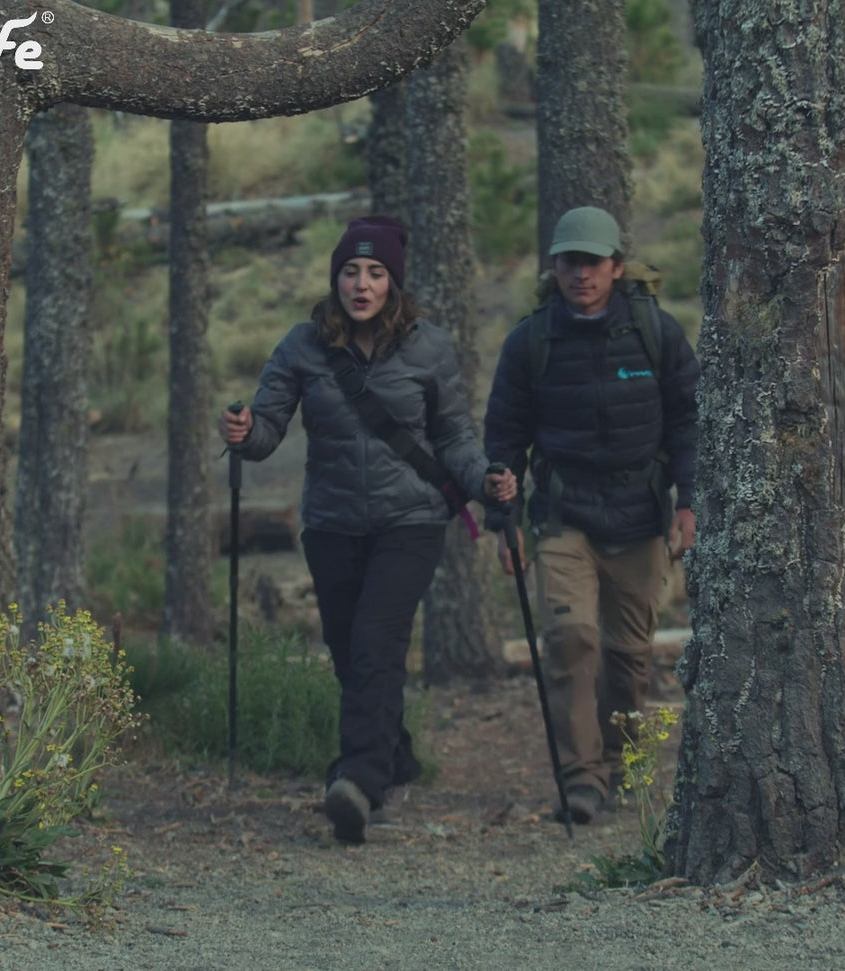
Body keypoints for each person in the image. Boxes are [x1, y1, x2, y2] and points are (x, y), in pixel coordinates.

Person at [219, 216, 516, 844]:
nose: (361, 284)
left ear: (393, 283)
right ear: (335, 280)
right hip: (331, 523)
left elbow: (455, 437)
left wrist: (486, 477)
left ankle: (357, 780)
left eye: (375, 273)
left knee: (376, 643)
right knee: (347, 651)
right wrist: (245, 433)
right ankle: (394, 756)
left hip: (410, 520)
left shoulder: (429, 347)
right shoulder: (302, 346)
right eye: (351, 272)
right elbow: (269, 428)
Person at [483, 206, 699, 824]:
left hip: (640, 515)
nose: (582, 274)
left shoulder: (656, 333)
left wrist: (690, 502)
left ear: (617, 267)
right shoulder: (530, 342)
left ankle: (624, 766)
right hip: (563, 516)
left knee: (629, 656)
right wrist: (504, 523)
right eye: (570, 262)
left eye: (594, 262)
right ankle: (580, 779)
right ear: (554, 268)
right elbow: (504, 438)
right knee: (570, 640)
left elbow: (689, 419)